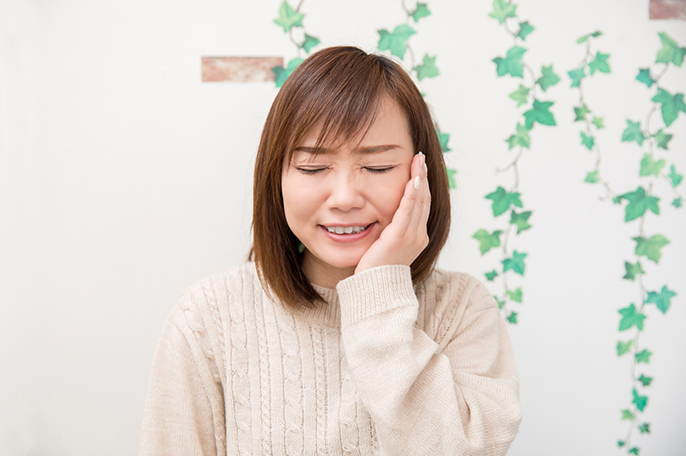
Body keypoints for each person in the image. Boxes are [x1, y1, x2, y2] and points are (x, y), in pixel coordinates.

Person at [140, 46, 521, 456]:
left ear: (420, 175)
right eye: (312, 168)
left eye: (376, 168)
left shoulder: (463, 310)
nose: (344, 197)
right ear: (277, 177)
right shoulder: (208, 317)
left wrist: (379, 294)